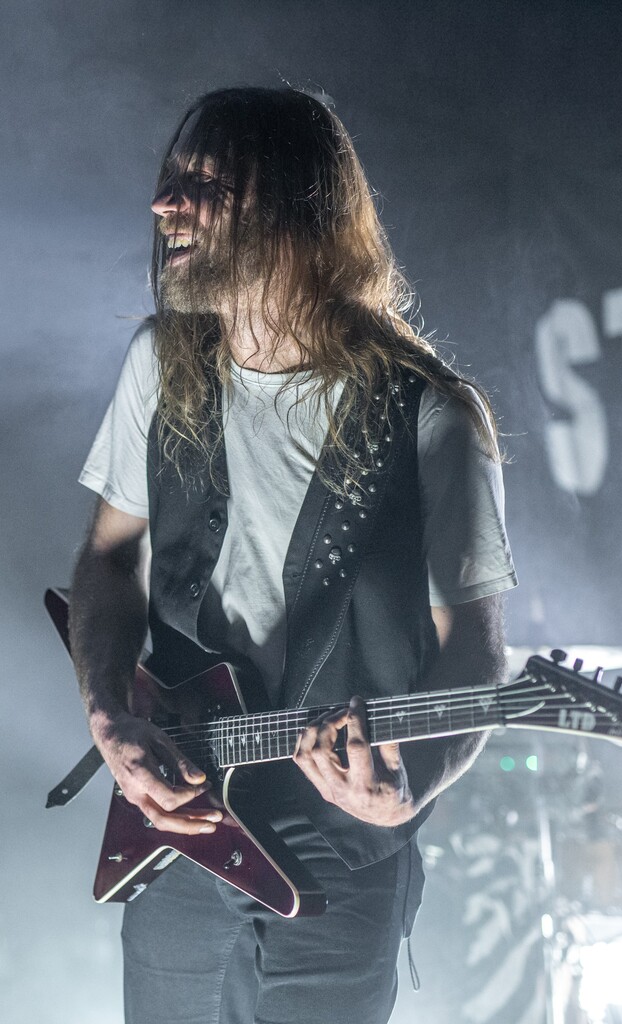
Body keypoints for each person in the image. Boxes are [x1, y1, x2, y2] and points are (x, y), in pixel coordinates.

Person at [68, 87, 517, 1024]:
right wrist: (112, 716)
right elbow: (110, 559)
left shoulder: (428, 413)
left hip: (337, 852)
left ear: (291, 205)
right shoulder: (161, 362)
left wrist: (409, 791)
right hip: (181, 823)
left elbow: (475, 650)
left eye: (203, 185)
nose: (165, 207)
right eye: (169, 183)